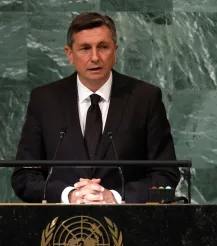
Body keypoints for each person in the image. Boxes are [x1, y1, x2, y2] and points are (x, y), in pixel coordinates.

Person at [11, 12, 180, 204]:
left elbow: (166, 177)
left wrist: (114, 196)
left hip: (132, 224)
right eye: (85, 48)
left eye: (103, 47)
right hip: (62, 226)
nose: (95, 57)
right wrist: (69, 195)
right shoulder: (45, 100)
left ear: (115, 51)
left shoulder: (144, 98)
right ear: (70, 54)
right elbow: (23, 177)